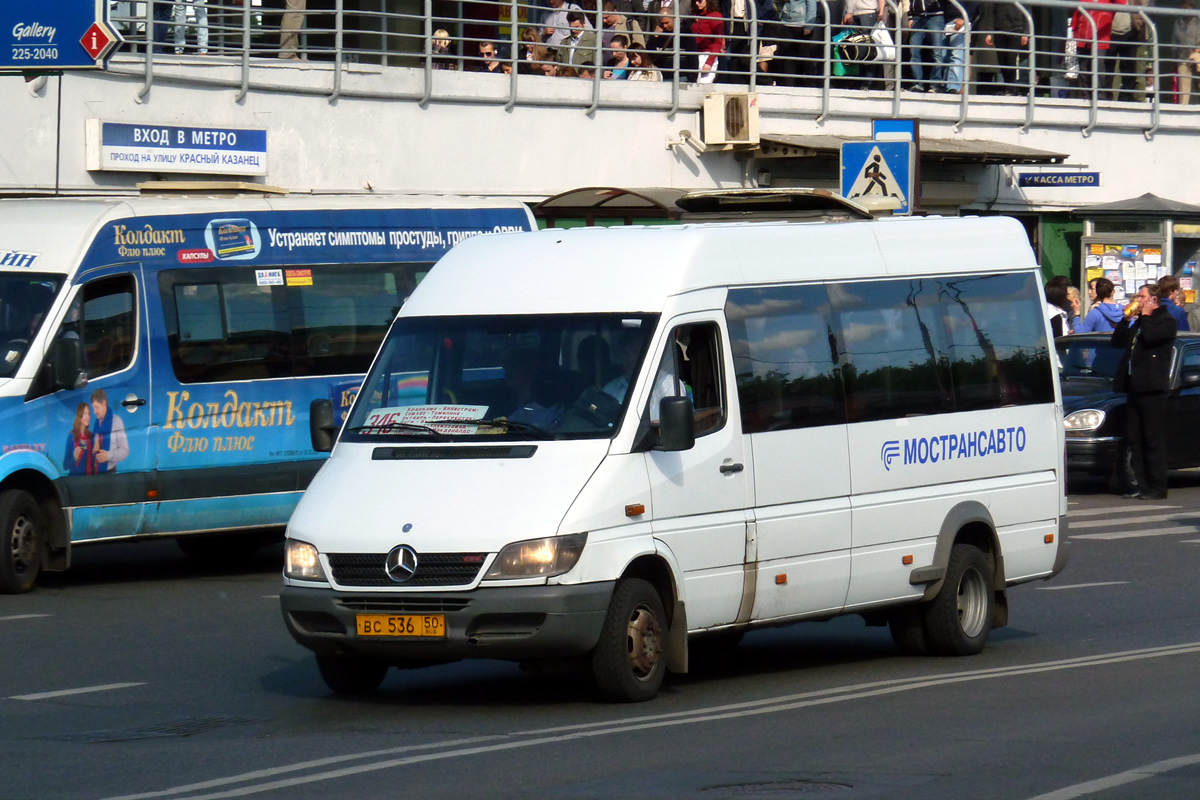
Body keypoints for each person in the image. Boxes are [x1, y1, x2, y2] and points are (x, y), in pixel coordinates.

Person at [1111, 282, 1177, 500]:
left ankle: (1158, 487)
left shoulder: (1166, 321)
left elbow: (1151, 338)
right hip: (1134, 387)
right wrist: (1125, 320)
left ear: (1153, 300)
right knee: (1136, 438)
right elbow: (1117, 342)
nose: (1137, 301)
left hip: (1153, 388)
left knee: (1152, 439)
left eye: (1141, 297)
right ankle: (1143, 486)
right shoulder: (1139, 321)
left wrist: (1146, 316)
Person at [984, 0, 1030, 95]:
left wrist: (1026, 33)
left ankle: (1011, 87)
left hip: (1016, 30)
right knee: (1002, 60)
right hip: (999, 30)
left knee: (1011, 59)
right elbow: (991, 14)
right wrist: (989, 32)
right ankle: (1008, 86)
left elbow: (1027, 13)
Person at [908, 0, 947, 93]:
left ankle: (936, 84)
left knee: (937, 52)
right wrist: (910, 16)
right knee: (914, 52)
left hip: (936, 15)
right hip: (918, 17)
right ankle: (917, 84)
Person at [90, 388, 129, 473]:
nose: (94, 411)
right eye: (93, 408)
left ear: (104, 403)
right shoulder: (96, 423)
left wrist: (108, 456)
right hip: (94, 471)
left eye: (96, 407)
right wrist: (94, 450)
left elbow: (125, 450)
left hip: (109, 473)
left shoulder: (116, 421)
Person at [690, 0, 725, 83]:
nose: (696, 3)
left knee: (703, 85)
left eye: (699, 1)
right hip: (694, 54)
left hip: (707, 54)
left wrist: (709, 63)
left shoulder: (715, 16)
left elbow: (718, 42)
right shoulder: (693, 15)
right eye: (695, 1)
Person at [1174, 0, 1200, 104]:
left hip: (1196, 56)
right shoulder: (1178, 22)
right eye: (1182, 7)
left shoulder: (1198, 21)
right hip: (1182, 57)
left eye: (1187, 7)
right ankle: (1182, 108)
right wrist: (1175, 54)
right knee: (1183, 88)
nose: (1184, 9)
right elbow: (1174, 41)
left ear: (1192, 7)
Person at [63, 402, 96, 476]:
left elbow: (93, 462)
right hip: (76, 480)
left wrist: (95, 452)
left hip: (91, 479)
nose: (88, 417)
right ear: (79, 415)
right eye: (85, 413)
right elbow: (65, 466)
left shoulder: (91, 436)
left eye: (89, 414)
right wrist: (74, 458)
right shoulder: (72, 436)